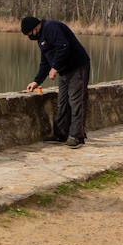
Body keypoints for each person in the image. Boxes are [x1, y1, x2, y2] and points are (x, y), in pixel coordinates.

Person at [21, 15, 91, 147]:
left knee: (77, 102)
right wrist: (37, 81)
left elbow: (64, 47)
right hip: (64, 70)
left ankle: (77, 136)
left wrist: (55, 68)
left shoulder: (51, 27)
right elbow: (45, 62)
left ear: (35, 27)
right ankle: (61, 135)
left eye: (30, 33)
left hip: (77, 67)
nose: (30, 36)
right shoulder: (41, 38)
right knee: (62, 102)